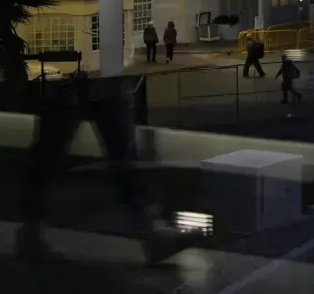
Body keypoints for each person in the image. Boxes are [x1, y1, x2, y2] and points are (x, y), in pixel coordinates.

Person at [17, 69, 188, 265]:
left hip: (83, 81)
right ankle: (150, 233)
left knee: (51, 149)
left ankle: (30, 232)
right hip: (95, 81)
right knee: (122, 154)